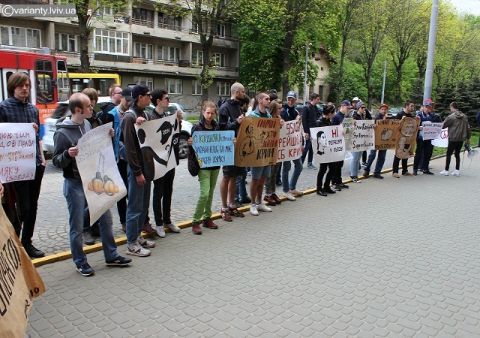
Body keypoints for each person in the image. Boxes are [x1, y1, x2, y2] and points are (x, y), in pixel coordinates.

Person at [52, 93, 131, 276]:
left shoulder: (87, 124)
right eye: (88, 107)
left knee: (106, 219)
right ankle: (80, 262)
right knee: (77, 225)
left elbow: (93, 147)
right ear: (78, 110)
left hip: (93, 181)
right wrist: (67, 155)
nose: (92, 109)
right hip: (74, 184)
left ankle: (111, 255)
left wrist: (107, 135)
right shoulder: (62, 133)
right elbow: (56, 161)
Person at [0, 72, 46, 258]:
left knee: (32, 206)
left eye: (27, 85)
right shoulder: (3, 108)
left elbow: (36, 139)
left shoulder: (32, 109)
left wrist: (42, 158)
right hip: (14, 168)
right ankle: (15, 244)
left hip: (34, 164)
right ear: (13, 87)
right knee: (21, 207)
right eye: (21, 86)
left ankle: (27, 243)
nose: (25, 88)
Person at [121, 84, 155, 257]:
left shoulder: (145, 114)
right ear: (140, 97)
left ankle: (138, 236)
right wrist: (137, 172)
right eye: (148, 95)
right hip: (137, 169)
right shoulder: (129, 118)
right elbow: (130, 149)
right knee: (134, 206)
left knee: (142, 205)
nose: (150, 97)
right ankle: (131, 243)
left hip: (147, 167)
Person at [148, 89, 182, 237]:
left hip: (169, 161)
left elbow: (175, 136)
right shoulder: (150, 117)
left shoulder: (168, 116)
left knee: (169, 191)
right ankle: (159, 223)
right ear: (158, 101)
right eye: (166, 98)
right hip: (157, 162)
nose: (168, 101)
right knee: (158, 192)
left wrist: (178, 122)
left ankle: (168, 220)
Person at [98, 87, 132, 232]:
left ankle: (132, 219)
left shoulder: (132, 114)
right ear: (121, 98)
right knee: (121, 192)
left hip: (130, 158)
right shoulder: (111, 115)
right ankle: (124, 222)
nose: (130, 103)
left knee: (131, 192)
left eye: (132, 100)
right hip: (117, 160)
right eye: (128, 100)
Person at [188, 101, 221, 235]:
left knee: (211, 192)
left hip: (215, 164)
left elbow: (221, 142)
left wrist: (230, 142)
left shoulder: (217, 127)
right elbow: (193, 146)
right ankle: (196, 221)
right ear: (203, 113)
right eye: (208, 112)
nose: (210, 115)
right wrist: (190, 143)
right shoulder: (197, 127)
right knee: (205, 193)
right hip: (203, 165)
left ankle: (207, 218)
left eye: (212, 113)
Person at [218, 82, 246, 222]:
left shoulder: (238, 106)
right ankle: (223, 207)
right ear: (236, 92)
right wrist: (237, 122)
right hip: (228, 147)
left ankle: (232, 204)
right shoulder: (224, 108)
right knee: (227, 176)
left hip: (238, 146)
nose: (244, 94)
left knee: (235, 176)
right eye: (242, 92)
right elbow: (222, 129)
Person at [248, 92, 274, 216]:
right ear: (259, 100)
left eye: (269, 99)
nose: (269, 100)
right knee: (255, 179)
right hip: (257, 153)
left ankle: (260, 202)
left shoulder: (268, 116)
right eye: (266, 99)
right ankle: (252, 204)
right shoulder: (252, 115)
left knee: (263, 179)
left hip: (266, 152)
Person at [281, 91, 304, 201]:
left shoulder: (296, 111)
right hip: (285, 145)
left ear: (295, 100)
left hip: (294, 144)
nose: (290, 101)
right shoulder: (282, 111)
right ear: (286, 99)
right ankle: (286, 191)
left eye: (292, 99)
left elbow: (298, 128)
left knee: (299, 166)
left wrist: (298, 122)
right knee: (286, 167)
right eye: (289, 99)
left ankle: (292, 187)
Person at [440, 101, 471, 176]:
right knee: (457, 154)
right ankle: (457, 170)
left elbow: (443, 125)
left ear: (452, 107)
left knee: (448, 154)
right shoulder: (464, 116)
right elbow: (468, 128)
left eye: (450, 108)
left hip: (453, 138)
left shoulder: (451, 117)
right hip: (461, 139)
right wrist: (468, 138)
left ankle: (446, 170)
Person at [413, 99, 441, 175]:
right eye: (427, 107)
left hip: (429, 137)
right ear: (423, 107)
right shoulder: (418, 115)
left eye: (430, 107)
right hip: (421, 138)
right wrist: (419, 127)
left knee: (428, 153)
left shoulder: (432, 116)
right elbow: (415, 126)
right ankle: (415, 169)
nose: (428, 109)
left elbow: (436, 125)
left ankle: (425, 168)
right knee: (418, 153)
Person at [263, 100, 282, 206]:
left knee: (275, 173)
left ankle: (273, 192)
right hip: (270, 149)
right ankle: (267, 194)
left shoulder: (279, 118)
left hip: (278, 149)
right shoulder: (269, 118)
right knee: (269, 174)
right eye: (279, 108)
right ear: (274, 109)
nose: (281, 110)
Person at [363, 104, 389, 179]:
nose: (384, 111)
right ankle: (366, 170)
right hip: (375, 139)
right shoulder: (376, 117)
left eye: (385, 109)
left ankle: (377, 172)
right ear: (379, 110)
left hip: (384, 140)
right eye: (382, 109)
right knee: (372, 155)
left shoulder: (388, 118)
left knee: (382, 157)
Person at [392, 100, 417, 178]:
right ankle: (395, 172)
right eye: (411, 106)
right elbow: (396, 126)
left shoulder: (410, 115)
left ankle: (404, 171)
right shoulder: (400, 114)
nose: (413, 107)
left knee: (406, 153)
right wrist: (402, 120)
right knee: (399, 153)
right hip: (401, 138)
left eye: (413, 106)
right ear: (406, 106)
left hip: (408, 138)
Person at [316, 105, 336, 196]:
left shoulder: (329, 121)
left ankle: (327, 186)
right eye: (334, 112)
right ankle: (319, 188)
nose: (335, 114)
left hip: (330, 150)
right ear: (329, 113)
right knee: (323, 169)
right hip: (323, 150)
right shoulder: (319, 122)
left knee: (332, 168)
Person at [349, 101, 372, 182]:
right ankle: (353, 175)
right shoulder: (354, 115)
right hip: (355, 140)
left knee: (358, 158)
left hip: (361, 140)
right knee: (355, 158)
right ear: (358, 108)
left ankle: (355, 175)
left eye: (364, 108)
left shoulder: (363, 115)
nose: (364, 109)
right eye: (362, 108)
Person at [235, 95, 251, 205]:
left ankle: (243, 195)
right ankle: (236, 198)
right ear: (244, 105)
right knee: (238, 175)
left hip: (242, 146)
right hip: (237, 146)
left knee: (242, 173)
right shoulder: (240, 115)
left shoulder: (242, 114)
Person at [331, 100, 351, 191]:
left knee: (340, 164)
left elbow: (347, 130)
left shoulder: (345, 116)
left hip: (343, 143)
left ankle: (339, 181)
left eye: (349, 108)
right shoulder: (336, 116)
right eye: (347, 108)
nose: (349, 110)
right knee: (336, 164)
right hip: (337, 144)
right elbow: (332, 131)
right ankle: (334, 183)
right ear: (342, 106)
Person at [301, 92, 321, 169]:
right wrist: (306, 132)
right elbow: (304, 120)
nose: (319, 101)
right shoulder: (307, 107)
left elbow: (318, 116)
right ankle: (301, 162)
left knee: (312, 147)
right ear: (314, 99)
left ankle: (309, 163)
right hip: (308, 130)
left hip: (314, 130)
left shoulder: (315, 107)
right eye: (318, 99)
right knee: (307, 147)